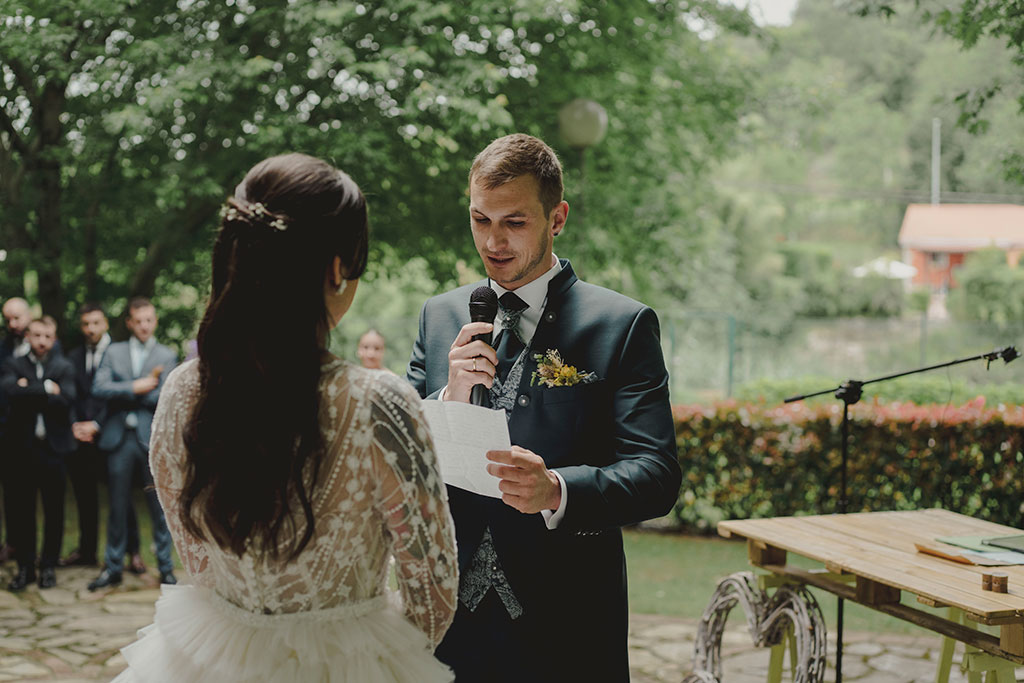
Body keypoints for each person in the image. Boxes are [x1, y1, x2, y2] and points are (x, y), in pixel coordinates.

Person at [111, 153, 458, 682]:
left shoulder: (182, 390)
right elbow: (433, 595)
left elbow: (197, 562)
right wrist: (370, 654)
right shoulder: (377, 404)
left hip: (211, 662)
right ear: (338, 267)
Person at [407, 134, 681, 682]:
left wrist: (557, 489)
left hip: (567, 623)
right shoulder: (439, 317)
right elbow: (398, 455)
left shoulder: (620, 325)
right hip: (447, 621)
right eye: (480, 220)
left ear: (557, 219)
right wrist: (448, 398)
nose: (493, 240)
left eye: (515, 222)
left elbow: (657, 476)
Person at [88, 298, 178, 590]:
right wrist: (135, 386)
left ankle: (166, 567)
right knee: (116, 506)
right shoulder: (114, 352)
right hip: (118, 439)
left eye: (149, 320)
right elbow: (99, 387)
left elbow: (164, 396)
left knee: (159, 506)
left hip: (151, 440)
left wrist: (127, 391)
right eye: (138, 320)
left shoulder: (167, 354)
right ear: (129, 322)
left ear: (155, 321)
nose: (144, 326)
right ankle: (113, 566)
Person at [62, 303, 144, 569]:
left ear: (105, 323)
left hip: (111, 434)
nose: (90, 329)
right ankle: (86, 552)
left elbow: (119, 396)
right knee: (84, 496)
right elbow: (70, 395)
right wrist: (76, 425)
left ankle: (134, 552)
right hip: (80, 438)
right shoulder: (73, 356)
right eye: (86, 324)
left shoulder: (120, 353)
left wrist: (96, 423)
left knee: (122, 497)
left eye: (95, 323)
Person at [0, 316, 76, 590]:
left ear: (53, 339)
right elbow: (9, 392)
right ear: (28, 337)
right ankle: (25, 567)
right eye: (36, 335)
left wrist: (28, 389)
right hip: (22, 450)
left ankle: (48, 567)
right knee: (22, 512)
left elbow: (67, 399)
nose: (42, 341)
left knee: (54, 511)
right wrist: (46, 388)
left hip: (54, 450)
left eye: (47, 336)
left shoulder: (64, 366)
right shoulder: (12, 364)